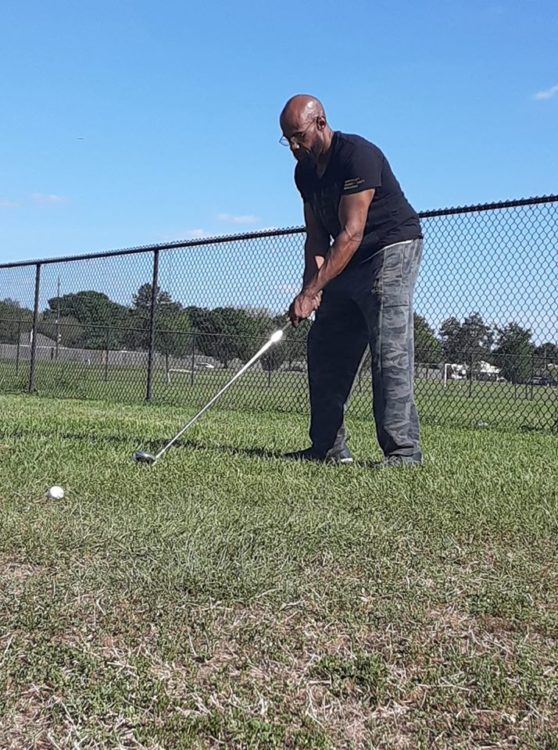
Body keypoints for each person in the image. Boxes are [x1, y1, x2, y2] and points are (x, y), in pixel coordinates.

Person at [280, 94, 423, 467]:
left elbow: (351, 233)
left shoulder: (356, 155)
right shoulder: (304, 172)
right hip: (345, 259)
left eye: (299, 136)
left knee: (388, 351)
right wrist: (308, 291)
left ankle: (403, 453)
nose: (294, 147)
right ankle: (327, 448)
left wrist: (313, 289)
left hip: (387, 249)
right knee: (325, 345)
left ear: (321, 124)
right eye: (287, 140)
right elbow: (316, 237)